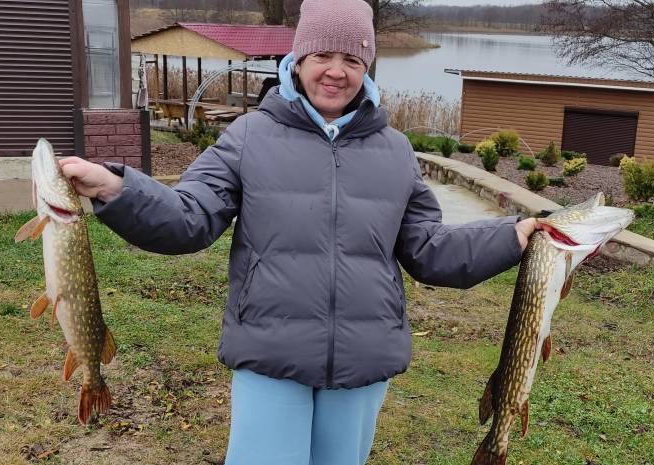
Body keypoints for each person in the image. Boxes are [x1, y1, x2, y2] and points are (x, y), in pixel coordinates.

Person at [59, 0, 543, 463]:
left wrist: (512, 237)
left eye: (352, 58)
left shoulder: (395, 151)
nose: (336, 70)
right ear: (298, 58)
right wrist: (117, 188)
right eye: (323, 55)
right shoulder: (249, 137)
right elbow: (189, 217)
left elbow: (430, 249)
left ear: (367, 65)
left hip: (363, 360)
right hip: (271, 352)